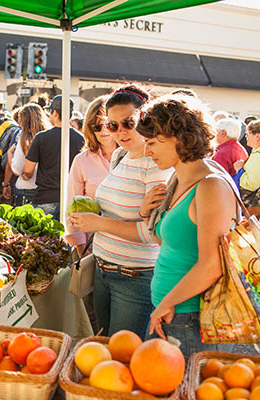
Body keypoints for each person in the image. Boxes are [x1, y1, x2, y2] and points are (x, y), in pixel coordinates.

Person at [136, 94, 238, 358]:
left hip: (189, 316)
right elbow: (174, 244)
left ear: (178, 137)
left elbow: (211, 265)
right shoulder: (179, 178)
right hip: (170, 310)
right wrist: (146, 213)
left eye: (152, 143)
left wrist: (167, 303)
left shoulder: (210, 185)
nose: (147, 153)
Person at [69, 84, 171, 339]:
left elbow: (154, 235)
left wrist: (98, 224)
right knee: (104, 345)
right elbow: (121, 210)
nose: (120, 132)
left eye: (128, 123)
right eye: (113, 125)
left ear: (146, 119)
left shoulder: (157, 164)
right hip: (103, 270)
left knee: (122, 357)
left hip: (134, 277)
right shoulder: (120, 156)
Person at [65, 95, 117, 254]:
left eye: (107, 125)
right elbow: (72, 211)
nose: (103, 131)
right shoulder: (82, 161)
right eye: (96, 127)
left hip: (129, 248)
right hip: (93, 248)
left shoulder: (133, 158)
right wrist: (82, 249)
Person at [22, 95, 85, 220]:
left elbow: (28, 170)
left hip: (45, 198)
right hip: (71, 199)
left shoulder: (41, 137)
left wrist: (25, 175)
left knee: (43, 238)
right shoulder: (80, 138)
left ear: (55, 113)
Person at [9, 104, 50, 206]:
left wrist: (10, 154)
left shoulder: (25, 140)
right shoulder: (49, 137)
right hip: (45, 189)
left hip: (26, 189)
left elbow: (16, 169)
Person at [234, 120, 260, 214]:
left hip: (250, 206)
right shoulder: (256, 153)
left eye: (248, 133)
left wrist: (239, 169)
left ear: (257, 136)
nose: (246, 136)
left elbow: (251, 184)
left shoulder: (258, 156)